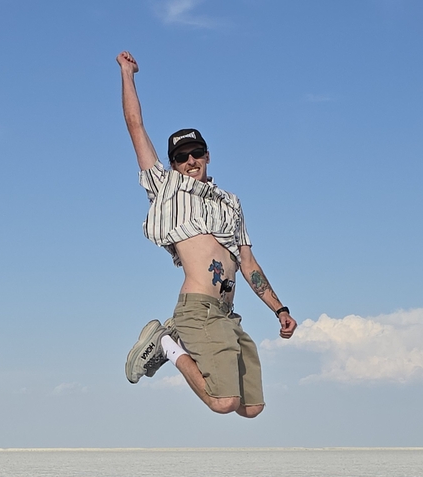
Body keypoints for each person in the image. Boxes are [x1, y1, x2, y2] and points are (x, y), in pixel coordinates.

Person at [117, 50, 296, 418]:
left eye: (197, 153)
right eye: (182, 157)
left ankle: (174, 339)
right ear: (172, 164)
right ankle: (167, 343)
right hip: (197, 308)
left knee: (251, 408)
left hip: (227, 313)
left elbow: (248, 263)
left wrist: (279, 308)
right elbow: (135, 126)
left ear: (208, 155)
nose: (190, 161)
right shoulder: (166, 187)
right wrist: (128, 74)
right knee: (223, 402)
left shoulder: (230, 203)